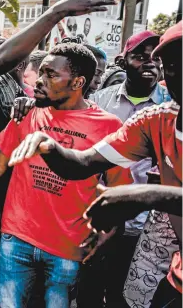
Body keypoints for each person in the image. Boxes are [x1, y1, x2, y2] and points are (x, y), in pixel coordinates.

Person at [0, 0, 121, 307]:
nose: (4, 40)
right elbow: (1, 62)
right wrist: (57, 11)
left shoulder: (10, 83)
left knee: (0, 293)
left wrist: (27, 101)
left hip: (14, 207)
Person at [6, 21, 182, 308]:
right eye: (174, 65)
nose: (180, 74)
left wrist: (146, 195)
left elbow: (137, 192)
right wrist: (46, 143)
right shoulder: (156, 121)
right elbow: (82, 163)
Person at [76, 30, 171, 308]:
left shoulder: (172, 104)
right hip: (101, 219)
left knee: (126, 298)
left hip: (149, 227)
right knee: (89, 292)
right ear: (123, 61)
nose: (149, 64)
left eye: (156, 59)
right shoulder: (100, 102)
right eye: (140, 57)